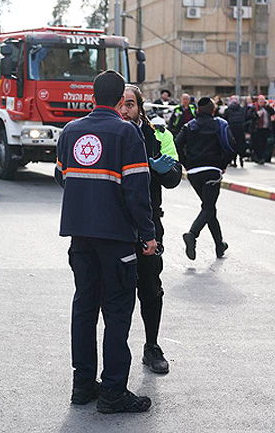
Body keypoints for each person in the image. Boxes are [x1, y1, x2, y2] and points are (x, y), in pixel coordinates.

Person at [55, 70, 156, 414]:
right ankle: (113, 391)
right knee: (117, 314)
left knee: (84, 309)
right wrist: (148, 234)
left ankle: (83, 385)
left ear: (92, 96)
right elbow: (137, 191)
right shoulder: (127, 132)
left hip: (80, 236)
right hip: (116, 239)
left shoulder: (71, 131)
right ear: (118, 100)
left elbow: (62, 175)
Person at [120, 85, 181, 375]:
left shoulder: (159, 135)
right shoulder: (108, 133)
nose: (124, 110)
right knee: (116, 293)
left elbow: (175, 176)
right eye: (120, 104)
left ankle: (152, 346)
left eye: (130, 104)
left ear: (140, 108)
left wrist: (161, 170)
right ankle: (116, 352)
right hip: (114, 226)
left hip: (149, 226)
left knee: (150, 288)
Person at [175, 97, 235, 261]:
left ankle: (219, 245)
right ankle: (192, 234)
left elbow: (176, 146)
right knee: (208, 207)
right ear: (213, 110)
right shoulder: (220, 124)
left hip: (194, 173)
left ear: (198, 110)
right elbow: (231, 146)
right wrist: (223, 164)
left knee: (209, 208)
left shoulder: (189, 126)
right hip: (212, 171)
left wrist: (186, 163)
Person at [248, 95, 274, 165]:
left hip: (265, 128)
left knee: (264, 143)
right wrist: (256, 114)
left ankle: (261, 157)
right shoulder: (254, 107)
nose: (262, 102)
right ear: (258, 101)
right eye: (261, 101)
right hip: (256, 129)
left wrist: (268, 105)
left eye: (263, 101)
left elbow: (272, 112)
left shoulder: (266, 108)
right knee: (257, 144)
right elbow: (249, 115)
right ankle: (259, 158)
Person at [223, 95, 247, 167]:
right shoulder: (241, 109)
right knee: (240, 143)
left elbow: (224, 118)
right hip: (240, 129)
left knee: (232, 144)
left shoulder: (228, 110)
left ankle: (233, 160)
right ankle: (241, 157)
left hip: (231, 128)